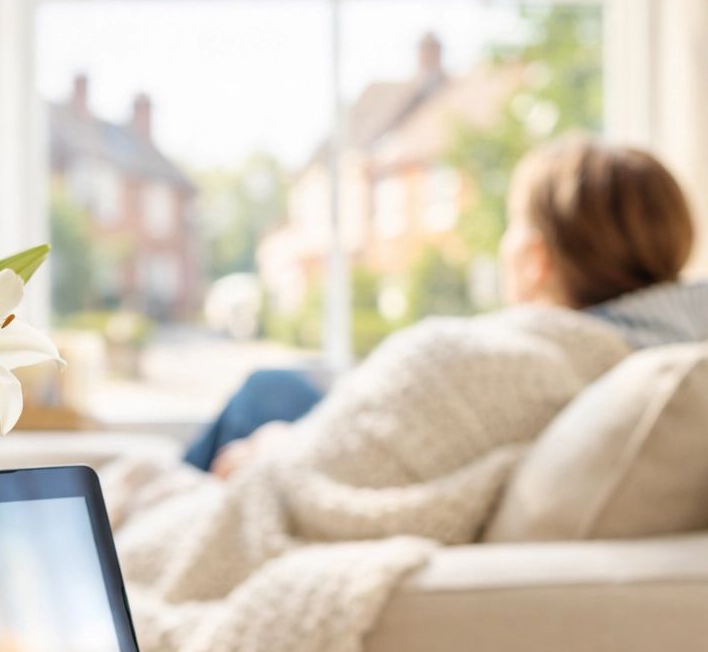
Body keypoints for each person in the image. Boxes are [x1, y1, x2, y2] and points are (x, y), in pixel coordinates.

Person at [185, 135, 706, 479]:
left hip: (312, 457)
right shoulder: (674, 346)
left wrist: (275, 451)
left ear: (536, 260)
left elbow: (364, 456)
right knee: (281, 386)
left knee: (266, 391)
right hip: (341, 432)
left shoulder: (513, 365)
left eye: (513, 226)